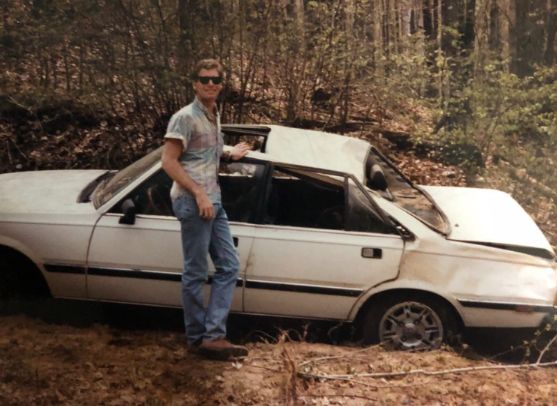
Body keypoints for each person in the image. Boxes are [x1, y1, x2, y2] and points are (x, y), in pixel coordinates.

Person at [162, 59, 251, 360]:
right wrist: (198, 193)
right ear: (194, 83)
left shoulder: (213, 114)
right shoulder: (184, 117)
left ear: (221, 84)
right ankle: (197, 337)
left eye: (215, 79)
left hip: (213, 200)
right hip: (193, 201)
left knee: (228, 266)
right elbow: (169, 162)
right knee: (196, 272)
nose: (210, 83)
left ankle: (214, 336)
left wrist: (229, 152)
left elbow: (204, 151)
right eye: (204, 79)